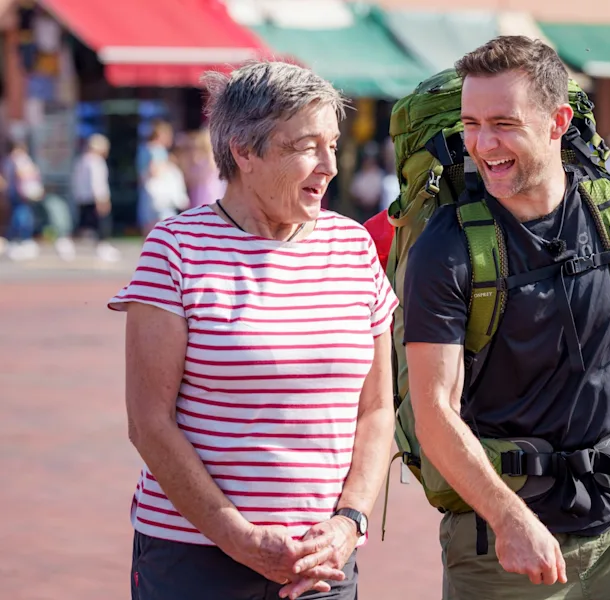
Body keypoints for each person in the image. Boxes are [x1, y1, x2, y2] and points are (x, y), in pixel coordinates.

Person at [402, 36, 610, 599]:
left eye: (503, 123)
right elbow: (433, 410)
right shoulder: (447, 248)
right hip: (504, 545)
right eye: (471, 123)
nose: (483, 144)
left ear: (557, 121)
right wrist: (508, 519)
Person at [108, 60, 398, 600]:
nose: (330, 165)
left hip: (323, 563)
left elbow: (378, 408)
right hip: (195, 559)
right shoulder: (175, 249)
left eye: (333, 144)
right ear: (244, 150)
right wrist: (236, 537)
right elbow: (149, 422)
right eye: (307, 146)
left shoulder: (354, 247)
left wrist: (349, 522)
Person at [71, 133, 121, 261]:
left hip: (83, 198)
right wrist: (101, 199)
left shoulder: (81, 160)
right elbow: (97, 182)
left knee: (84, 224)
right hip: (95, 198)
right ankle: (102, 247)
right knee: (102, 223)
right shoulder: (96, 161)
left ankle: (70, 245)